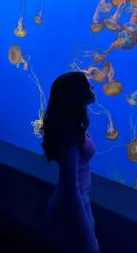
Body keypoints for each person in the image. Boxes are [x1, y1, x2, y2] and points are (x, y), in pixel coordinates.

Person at [41, 71, 100, 253]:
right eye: (88, 85)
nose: (93, 87)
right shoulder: (70, 135)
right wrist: (89, 240)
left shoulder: (75, 126)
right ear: (78, 94)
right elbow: (70, 188)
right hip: (73, 204)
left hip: (78, 199)